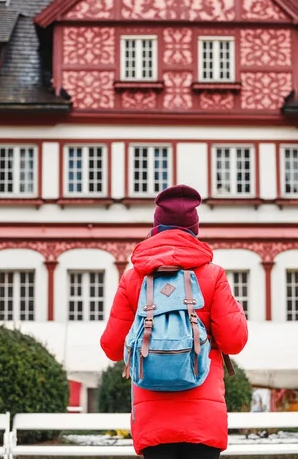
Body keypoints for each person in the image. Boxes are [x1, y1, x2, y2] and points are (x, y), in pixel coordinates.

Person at [100, 184, 248, 459]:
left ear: (156, 226)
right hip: (203, 419)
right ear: (194, 229)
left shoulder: (134, 279)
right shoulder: (213, 275)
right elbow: (235, 341)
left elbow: (111, 347)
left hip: (152, 418)